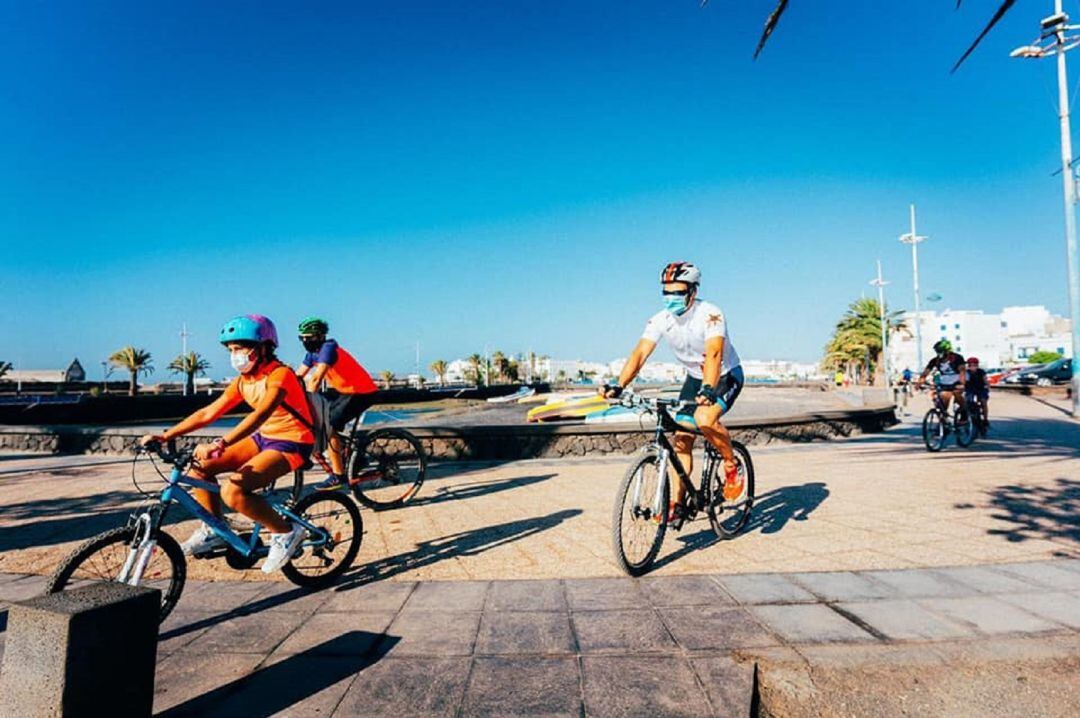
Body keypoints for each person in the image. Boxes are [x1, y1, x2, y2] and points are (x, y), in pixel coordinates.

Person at [139, 315, 313, 573]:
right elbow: (209, 413)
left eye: (241, 348)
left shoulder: (280, 374)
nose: (235, 355)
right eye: (231, 350)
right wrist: (167, 435)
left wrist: (221, 442)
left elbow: (260, 414)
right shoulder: (244, 381)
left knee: (233, 492)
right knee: (200, 467)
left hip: (293, 441)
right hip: (264, 437)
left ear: (264, 347)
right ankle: (215, 530)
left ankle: (287, 532)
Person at [602, 262, 745, 522]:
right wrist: (619, 385)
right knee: (682, 439)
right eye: (667, 292)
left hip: (724, 376)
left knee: (704, 419)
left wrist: (709, 389)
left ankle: (731, 464)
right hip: (694, 379)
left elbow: (713, 354)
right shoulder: (661, 320)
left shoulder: (710, 314)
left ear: (692, 291)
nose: (672, 298)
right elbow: (640, 353)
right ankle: (678, 504)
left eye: (678, 292)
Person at [294, 317, 379, 491]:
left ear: (320, 336)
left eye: (309, 338)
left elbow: (316, 378)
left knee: (328, 426)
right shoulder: (313, 353)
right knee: (317, 418)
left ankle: (338, 476)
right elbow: (297, 377)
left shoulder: (328, 348)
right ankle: (357, 457)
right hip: (344, 391)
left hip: (361, 392)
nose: (305, 341)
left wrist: (308, 401)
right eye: (301, 338)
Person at [916, 339, 967, 413]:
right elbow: (925, 373)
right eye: (937, 351)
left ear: (947, 351)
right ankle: (943, 417)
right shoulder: (935, 360)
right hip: (945, 381)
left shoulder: (957, 358)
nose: (938, 353)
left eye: (940, 351)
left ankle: (964, 412)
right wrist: (919, 383)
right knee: (945, 396)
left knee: (957, 393)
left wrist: (962, 384)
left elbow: (962, 371)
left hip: (958, 379)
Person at [964, 356, 990, 434]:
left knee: (983, 402)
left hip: (980, 389)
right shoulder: (967, 373)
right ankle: (967, 417)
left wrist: (987, 385)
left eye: (974, 365)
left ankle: (985, 419)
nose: (972, 367)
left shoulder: (981, 372)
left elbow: (985, 380)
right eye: (970, 365)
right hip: (970, 389)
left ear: (977, 365)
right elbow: (964, 381)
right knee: (967, 402)